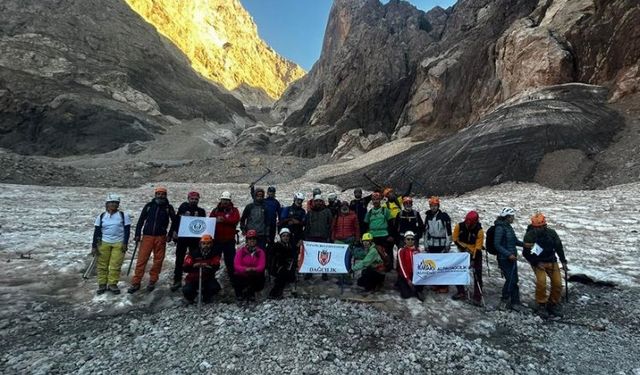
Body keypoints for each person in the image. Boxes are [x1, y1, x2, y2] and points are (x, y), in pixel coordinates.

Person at [129, 187, 176, 293]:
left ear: (166, 195)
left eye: (162, 194)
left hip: (161, 237)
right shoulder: (149, 206)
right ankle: (136, 282)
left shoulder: (169, 207)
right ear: (155, 194)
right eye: (158, 194)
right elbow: (141, 220)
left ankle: (152, 281)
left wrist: (170, 234)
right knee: (142, 260)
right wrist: (137, 234)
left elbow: (175, 221)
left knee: (158, 260)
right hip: (147, 236)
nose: (160, 196)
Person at [523, 213, 568, 317]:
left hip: (551, 260)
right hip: (537, 262)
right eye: (536, 227)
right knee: (541, 282)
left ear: (544, 226)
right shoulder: (529, 235)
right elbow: (526, 253)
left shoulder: (551, 233)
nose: (538, 229)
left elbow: (558, 247)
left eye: (540, 227)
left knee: (557, 284)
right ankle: (541, 304)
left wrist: (563, 261)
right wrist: (537, 263)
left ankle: (553, 304)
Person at [92, 193, 131, 295]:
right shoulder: (101, 216)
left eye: (115, 203)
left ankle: (112, 284)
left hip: (119, 243)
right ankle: (102, 284)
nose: (113, 204)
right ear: (107, 204)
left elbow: (127, 231)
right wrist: (94, 246)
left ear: (118, 204)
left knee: (115, 265)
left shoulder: (123, 216)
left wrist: (125, 243)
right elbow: (96, 231)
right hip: (104, 243)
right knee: (102, 265)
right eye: (111, 203)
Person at [171, 191, 206, 292]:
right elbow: (176, 220)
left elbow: (203, 224)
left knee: (194, 259)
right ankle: (177, 280)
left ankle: (192, 280)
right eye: (192, 199)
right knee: (179, 259)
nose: (194, 201)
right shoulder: (183, 207)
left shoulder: (201, 211)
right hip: (182, 238)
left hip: (195, 239)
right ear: (188, 199)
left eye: (196, 199)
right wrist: (174, 232)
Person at [494, 207, 525, 311]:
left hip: (512, 258)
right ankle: (504, 299)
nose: (513, 218)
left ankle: (515, 301)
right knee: (511, 279)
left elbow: (514, 241)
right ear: (507, 217)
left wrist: (525, 245)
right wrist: (508, 255)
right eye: (512, 216)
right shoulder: (500, 228)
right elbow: (497, 245)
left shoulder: (508, 227)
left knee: (514, 279)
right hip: (504, 258)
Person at [452, 211, 484, 305]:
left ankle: (477, 296)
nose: (468, 225)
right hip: (462, 251)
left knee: (477, 274)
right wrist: (464, 248)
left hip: (475, 252)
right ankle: (461, 291)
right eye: (467, 222)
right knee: (458, 271)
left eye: (470, 223)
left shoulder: (479, 231)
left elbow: (478, 247)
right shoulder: (459, 226)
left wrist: (473, 259)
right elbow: (455, 239)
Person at [209, 191, 241, 287]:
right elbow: (210, 221)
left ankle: (234, 281)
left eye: (227, 200)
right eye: (224, 200)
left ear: (230, 201)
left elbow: (236, 219)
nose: (225, 202)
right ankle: (210, 280)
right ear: (221, 200)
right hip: (217, 241)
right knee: (214, 261)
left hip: (229, 241)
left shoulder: (234, 210)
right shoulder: (215, 211)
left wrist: (224, 220)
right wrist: (216, 220)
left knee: (231, 262)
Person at [182, 234, 221, 304]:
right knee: (187, 290)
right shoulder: (193, 253)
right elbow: (185, 267)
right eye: (204, 243)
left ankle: (206, 296)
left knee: (215, 287)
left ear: (211, 244)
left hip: (207, 278)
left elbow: (216, 265)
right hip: (193, 279)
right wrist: (193, 266)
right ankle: (191, 297)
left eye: (208, 243)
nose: (206, 245)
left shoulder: (214, 253)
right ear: (200, 244)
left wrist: (208, 266)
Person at [424, 196, 452, 293]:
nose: (433, 207)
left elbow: (448, 231)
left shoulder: (444, 216)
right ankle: (436, 284)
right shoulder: (428, 216)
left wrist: (448, 244)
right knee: (434, 265)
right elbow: (426, 232)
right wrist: (426, 244)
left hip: (442, 244)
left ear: (438, 206)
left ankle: (444, 285)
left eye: (435, 205)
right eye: (432, 206)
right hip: (432, 244)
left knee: (442, 266)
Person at [303, 194, 333, 280]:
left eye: (320, 201)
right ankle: (309, 272)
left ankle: (324, 272)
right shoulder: (310, 212)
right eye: (316, 201)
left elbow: (330, 224)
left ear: (322, 202)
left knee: (324, 256)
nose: (318, 203)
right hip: (311, 236)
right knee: (311, 255)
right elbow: (307, 225)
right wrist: (305, 236)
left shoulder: (327, 211)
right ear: (314, 202)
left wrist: (329, 235)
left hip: (323, 236)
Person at [234, 230, 267, 301]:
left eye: (254, 239)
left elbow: (262, 266)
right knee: (236, 276)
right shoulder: (241, 251)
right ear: (247, 240)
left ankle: (251, 292)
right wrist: (245, 269)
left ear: (256, 240)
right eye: (250, 239)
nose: (252, 240)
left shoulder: (260, 252)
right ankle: (240, 294)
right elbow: (236, 265)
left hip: (254, 274)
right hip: (243, 274)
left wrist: (254, 269)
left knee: (257, 276)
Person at [365, 192, 393, 271]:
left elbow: (391, 223)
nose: (375, 201)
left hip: (384, 235)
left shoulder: (385, 210)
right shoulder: (370, 212)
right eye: (373, 200)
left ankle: (388, 268)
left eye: (377, 199)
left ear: (380, 200)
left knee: (385, 253)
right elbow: (366, 224)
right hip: (373, 236)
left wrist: (390, 235)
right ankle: (375, 268)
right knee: (374, 253)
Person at [268, 228, 298, 299]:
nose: (286, 237)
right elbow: (274, 259)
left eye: (287, 236)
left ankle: (291, 290)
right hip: (278, 268)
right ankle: (274, 293)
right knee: (283, 273)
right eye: (284, 236)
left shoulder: (290, 246)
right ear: (281, 237)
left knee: (290, 271)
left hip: (287, 267)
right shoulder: (276, 246)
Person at [397, 231, 424, 300]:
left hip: (414, 275)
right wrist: (407, 279)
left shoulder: (417, 250)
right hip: (405, 276)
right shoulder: (401, 250)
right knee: (405, 295)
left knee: (419, 287)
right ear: (405, 240)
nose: (410, 241)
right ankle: (402, 284)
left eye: (412, 239)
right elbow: (402, 266)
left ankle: (417, 290)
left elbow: (421, 265)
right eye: (408, 239)